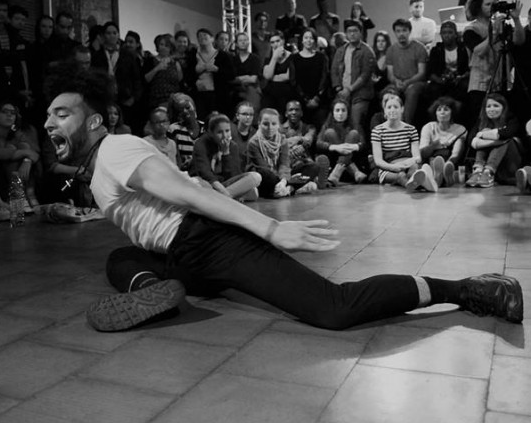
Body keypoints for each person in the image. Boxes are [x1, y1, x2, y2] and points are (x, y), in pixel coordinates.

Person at [43, 66, 524, 333]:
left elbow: (189, 192)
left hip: (208, 242)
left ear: (94, 122)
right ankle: (155, 288)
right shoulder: (99, 165)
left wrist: (271, 227)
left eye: (62, 114)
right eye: (48, 116)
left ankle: (464, 289)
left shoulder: (115, 150)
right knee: (121, 257)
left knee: (334, 308)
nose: (49, 124)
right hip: (180, 253)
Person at [464, 0, 524, 130]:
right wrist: (494, 32)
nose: (492, 7)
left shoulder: (503, 24)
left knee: (503, 120)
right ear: (478, 7)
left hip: (502, 80)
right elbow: (478, 51)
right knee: (481, 121)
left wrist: (516, 19)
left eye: (494, 4)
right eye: (488, 4)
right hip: (480, 83)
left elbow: (519, 41)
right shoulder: (471, 29)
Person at [0, 101, 41, 211]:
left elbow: (34, 153)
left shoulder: (17, 133)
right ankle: (18, 198)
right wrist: (21, 153)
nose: (9, 115)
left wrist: (27, 161)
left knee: (24, 147)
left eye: (13, 113)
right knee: (17, 152)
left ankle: (26, 196)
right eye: (4, 112)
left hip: (14, 175)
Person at [371, 94, 437, 192]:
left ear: (402, 109)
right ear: (384, 110)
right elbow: (378, 161)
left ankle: (421, 180)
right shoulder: (377, 131)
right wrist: (394, 167)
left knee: (413, 170)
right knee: (400, 176)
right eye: (389, 107)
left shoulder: (411, 129)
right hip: (387, 167)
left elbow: (417, 157)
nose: (392, 110)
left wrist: (405, 164)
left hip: (408, 164)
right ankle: (422, 184)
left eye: (396, 107)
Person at [247, 108, 317, 197]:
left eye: (274, 124)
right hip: (266, 178)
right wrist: (287, 180)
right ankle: (290, 188)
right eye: (265, 124)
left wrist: (284, 181)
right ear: (259, 124)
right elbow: (263, 168)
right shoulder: (253, 143)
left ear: (278, 125)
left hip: (281, 176)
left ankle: (287, 189)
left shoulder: (282, 139)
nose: (270, 128)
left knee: (313, 167)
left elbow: (284, 164)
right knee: (265, 174)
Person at [192, 114, 261, 201]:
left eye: (227, 131)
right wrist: (223, 191)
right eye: (219, 132)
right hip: (209, 183)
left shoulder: (232, 146)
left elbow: (234, 175)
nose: (225, 135)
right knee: (199, 183)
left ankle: (219, 199)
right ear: (211, 133)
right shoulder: (201, 144)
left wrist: (226, 153)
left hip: (225, 184)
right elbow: (205, 173)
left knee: (255, 179)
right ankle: (226, 198)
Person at [91, 21, 142, 128]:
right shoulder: (97, 55)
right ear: (104, 35)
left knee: (124, 126)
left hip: (124, 97)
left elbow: (136, 78)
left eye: (114, 33)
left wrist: (133, 98)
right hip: (104, 97)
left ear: (118, 35)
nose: (112, 36)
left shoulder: (127, 54)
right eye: (108, 33)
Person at [330, 19, 375, 138]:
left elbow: (365, 75)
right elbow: (334, 71)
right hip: (342, 93)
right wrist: (338, 87)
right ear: (346, 33)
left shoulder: (367, 51)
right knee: (335, 121)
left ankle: (360, 146)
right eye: (349, 31)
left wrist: (349, 89)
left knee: (355, 122)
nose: (352, 34)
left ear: (361, 32)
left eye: (355, 31)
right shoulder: (341, 50)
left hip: (360, 95)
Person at [466, 93, 522, 188]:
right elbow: (471, 141)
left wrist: (482, 135)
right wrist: (490, 137)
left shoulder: (511, 119)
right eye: (488, 106)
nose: (491, 109)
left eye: (496, 106)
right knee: (489, 140)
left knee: (505, 140)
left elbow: (505, 135)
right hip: (491, 165)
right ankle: (478, 171)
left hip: (510, 164)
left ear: (503, 108)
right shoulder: (481, 122)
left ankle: (488, 172)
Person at [386, 18, 428, 126]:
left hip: (416, 82)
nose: (401, 34)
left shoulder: (419, 48)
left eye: (404, 30)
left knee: (412, 91)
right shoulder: (391, 50)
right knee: (388, 93)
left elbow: (422, 73)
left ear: (409, 31)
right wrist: (396, 81)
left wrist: (408, 82)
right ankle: (390, 124)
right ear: (395, 33)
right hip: (397, 82)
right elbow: (390, 74)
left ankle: (405, 125)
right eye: (398, 31)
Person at [186, 28, 235, 119]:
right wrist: (197, 70)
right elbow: (188, 76)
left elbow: (231, 75)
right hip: (199, 94)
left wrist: (217, 69)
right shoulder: (193, 55)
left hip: (217, 95)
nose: (202, 38)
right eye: (199, 36)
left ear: (212, 39)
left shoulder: (223, 55)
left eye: (205, 35)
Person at [316, 97, 366, 185]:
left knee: (353, 134)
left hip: (351, 159)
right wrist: (335, 147)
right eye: (337, 110)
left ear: (348, 112)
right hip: (333, 161)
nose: (340, 113)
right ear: (333, 112)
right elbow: (318, 143)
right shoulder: (327, 125)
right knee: (330, 132)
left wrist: (354, 146)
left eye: (343, 110)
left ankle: (336, 174)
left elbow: (363, 144)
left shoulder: (355, 125)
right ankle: (355, 171)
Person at [281, 100, 330, 190]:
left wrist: (299, 146)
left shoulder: (309, 127)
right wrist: (295, 142)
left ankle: (311, 182)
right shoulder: (279, 129)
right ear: (286, 113)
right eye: (291, 110)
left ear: (302, 113)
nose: (294, 112)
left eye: (297, 110)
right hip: (288, 164)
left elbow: (308, 140)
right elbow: (279, 143)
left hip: (305, 162)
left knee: (314, 166)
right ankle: (310, 182)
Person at [419, 97, 467, 187]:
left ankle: (445, 173)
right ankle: (438, 175)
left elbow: (456, 153)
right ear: (435, 113)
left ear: (452, 112)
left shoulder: (460, 129)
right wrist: (433, 146)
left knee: (449, 156)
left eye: (446, 109)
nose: (442, 112)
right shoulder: (428, 127)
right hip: (430, 160)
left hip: (450, 159)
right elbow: (422, 153)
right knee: (433, 160)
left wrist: (448, 164)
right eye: (439, 109)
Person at [425, 21, 470, 110]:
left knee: (464, 86)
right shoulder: (436, 50)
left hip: (460, 79)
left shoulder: (463, 49)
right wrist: (439, 79)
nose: (447, 35)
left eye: (450, 32)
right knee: (433, 89)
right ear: (441, 35)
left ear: (455, 34)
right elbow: (430, 71)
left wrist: (461, 77)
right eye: (444, 33)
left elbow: (469, 69)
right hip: (441, 80)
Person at [290, 28, 329, 128]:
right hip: (300, 100)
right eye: (306, 38)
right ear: (302, 40)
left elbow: (325, 78)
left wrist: (316, 98)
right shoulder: (294, 58)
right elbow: (293, 81)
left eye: (311, 38)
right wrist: (305, 99)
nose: (308, 40)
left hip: (319, 100)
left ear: (315, 40)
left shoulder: (322, 57)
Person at [144, 34, 183, 111]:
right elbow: (146, 79)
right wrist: (157, 68)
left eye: (167, 45)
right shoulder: (150, 60)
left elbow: (180, 79)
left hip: (173, 99)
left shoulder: (175, 63)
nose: (164, 47)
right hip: (157, 99)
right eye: (161, 44)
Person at [166, 93, 204, 172]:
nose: (185, 111)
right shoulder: (174, 130)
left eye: (187, 107)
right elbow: (176, 160)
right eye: (180, 110)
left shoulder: (205, 127)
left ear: (194, 106)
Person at [261, 31, 294, 116]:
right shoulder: (269, 59)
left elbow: (288, 76)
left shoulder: (292, 57)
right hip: (270, 94)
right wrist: (274, 57)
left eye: (278, 41)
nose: (275, 44)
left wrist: (273, 77)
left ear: (283, 41)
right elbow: (267, 76)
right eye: (272, 42)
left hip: (286, 93)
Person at [232, 32, 262, 114]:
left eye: (245, 40)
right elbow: (231, 79)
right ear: (236, 43)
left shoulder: (255, 58)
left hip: (251, 90)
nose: (243, 42)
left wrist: (238, 79)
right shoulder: (233, 59)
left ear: (249, 42)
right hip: (235, 91)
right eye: (240, 40)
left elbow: (253, 79)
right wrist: (246, 77)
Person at [230, 101, 256, 171]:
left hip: (248, 170)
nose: (248, 117)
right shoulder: (229, 130)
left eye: (251, 115)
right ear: (237, 116)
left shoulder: (255, 134)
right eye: (244, 114)